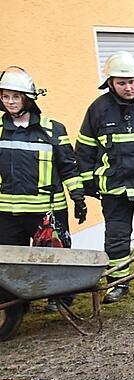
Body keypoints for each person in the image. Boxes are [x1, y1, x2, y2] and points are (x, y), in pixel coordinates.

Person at [76, 52, 134, 302]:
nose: (128, 87)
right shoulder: (98, 110)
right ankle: (118, 282)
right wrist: (88, 183)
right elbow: (85, 149)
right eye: (121, 82)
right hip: (114, 188)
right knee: (116, 236)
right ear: (110, 83)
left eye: (131, 81)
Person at [0, 67, 85, 250]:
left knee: (54, 265)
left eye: (16, 96)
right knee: (12, 267)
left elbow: (68, 168)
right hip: (8, 214)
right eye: (5, 96)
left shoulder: (53, 130)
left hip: (48, 212)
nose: (10, 102)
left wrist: (78, 198)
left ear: (28, 98)